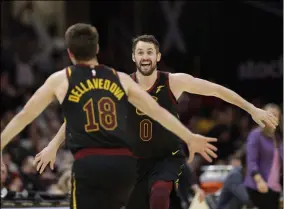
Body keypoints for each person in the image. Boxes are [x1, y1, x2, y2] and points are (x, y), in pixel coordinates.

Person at [34, 34, 278, 209]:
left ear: (158, 56)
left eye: (150, 52)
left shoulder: (173, 82)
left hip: (166, 157)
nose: (145, 57)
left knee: (160, 196)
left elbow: (216, 90)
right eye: (140, 52)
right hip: (133, 163)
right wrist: (53, 146)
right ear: (133, 57)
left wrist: (251, 108)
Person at [0, 23, 218, 209]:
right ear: (97, 49)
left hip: (90, 163)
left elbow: (24, 116)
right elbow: (158, 111)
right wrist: (189, 137)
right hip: (123, 166)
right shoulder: (120, 78)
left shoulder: (61, 79)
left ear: (69, 53)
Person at [244, 103, 283, 209]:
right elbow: (251, 161)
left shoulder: (279, 138)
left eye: (275, 115)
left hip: (275, 189)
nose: (272, 118)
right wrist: (259, 181)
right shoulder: (256, 135)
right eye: (270, 115)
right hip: (259, 188)